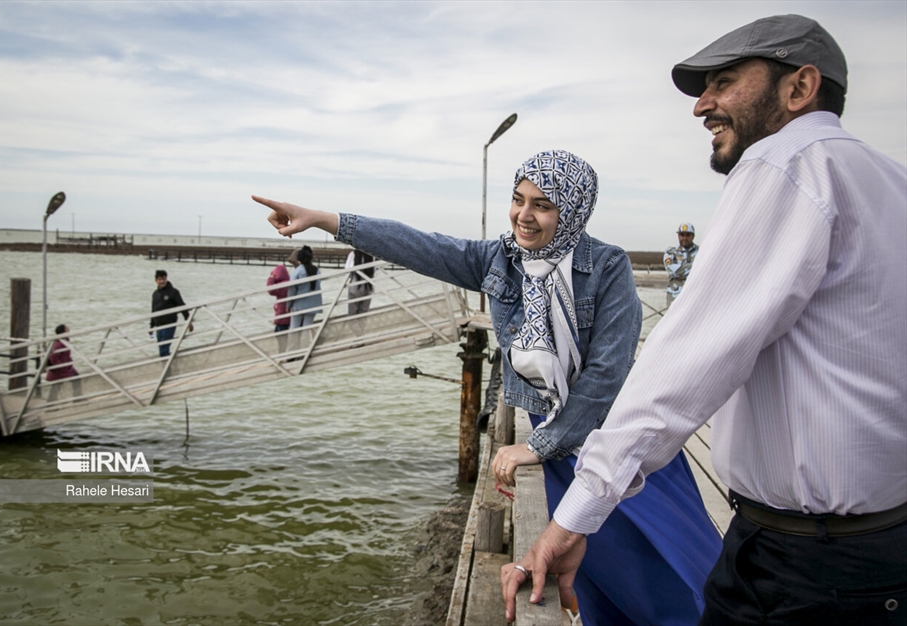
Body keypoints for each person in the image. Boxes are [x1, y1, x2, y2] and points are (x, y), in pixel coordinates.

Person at [501, 15, 906, 626]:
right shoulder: (890, 181)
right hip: (883, 543)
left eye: (724, 83)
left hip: (805, 562)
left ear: (799, 88)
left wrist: (573, 517)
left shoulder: (786, 165)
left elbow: (683, 364)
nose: (702, 106)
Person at [253, 150, 722, 625]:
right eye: (518, 200)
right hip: (556, 455)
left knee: (673, 580)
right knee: (602, 586)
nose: (524, 215)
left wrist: (538, 444)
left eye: (543, 204)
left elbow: (607, 376)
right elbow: (421, 246)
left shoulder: (606, 267)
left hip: (619, 445)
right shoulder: (500, 259)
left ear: (574, 209)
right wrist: (326, 221)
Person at [150, 269, 193, 357]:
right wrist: (151, 326)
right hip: (159, 325)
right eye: (159, 279)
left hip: (169, 324)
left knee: (164, 348)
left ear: (166, 279)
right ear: (156, 280)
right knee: (161, 347)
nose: (162, 281)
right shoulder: (155, 294)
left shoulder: (173, 292)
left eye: (163, 279)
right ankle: (166, 366)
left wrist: (188, 320)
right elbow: (153, 310)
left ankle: (166, 368)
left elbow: (181, 306)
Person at [663, 222, 699, 307]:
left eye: (688, 235)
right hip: (675, 297)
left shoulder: (701, 252)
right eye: (682, 235)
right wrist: (695, 270)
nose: (685, 238)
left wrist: (683, 272)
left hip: (695, 296)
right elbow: (673, 271)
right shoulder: (670, 252)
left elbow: (705, 269)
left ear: (693, 236)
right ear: (678, 236)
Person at [288, 245, 322, 329]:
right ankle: (306, 342)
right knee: (307, 329)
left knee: (294, 328)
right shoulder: (317, 270)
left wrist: (288, 305)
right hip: (313, 304)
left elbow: (292, 289)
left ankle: (293, 343)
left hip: (299, 304)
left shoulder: (298, 270)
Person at [45, 324, 81, 401]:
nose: (69, 328)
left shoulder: (63, 340)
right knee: (58, 385)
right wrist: (62, 366)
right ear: (63, 331)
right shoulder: (59, 343)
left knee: (75, 378)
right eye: (67, 328)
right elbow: (53, 358)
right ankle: (77, 398)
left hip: (65, 366)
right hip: (61, 368)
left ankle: (77, 397)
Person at [345, 248, 375, 316]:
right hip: (367, 287)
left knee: (352, 314)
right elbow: (373, 271)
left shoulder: (353, 254)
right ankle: (361, 327)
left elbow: (347, 269)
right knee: (363, 314)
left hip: (354, 286)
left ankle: (353, 327)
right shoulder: (371, 255)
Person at [267, 260, 291, 332]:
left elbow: (270, 290)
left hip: (282, 316)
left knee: (279, 334)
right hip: (288, 316)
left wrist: (271, 279)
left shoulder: (282, 285)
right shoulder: (289, 283)